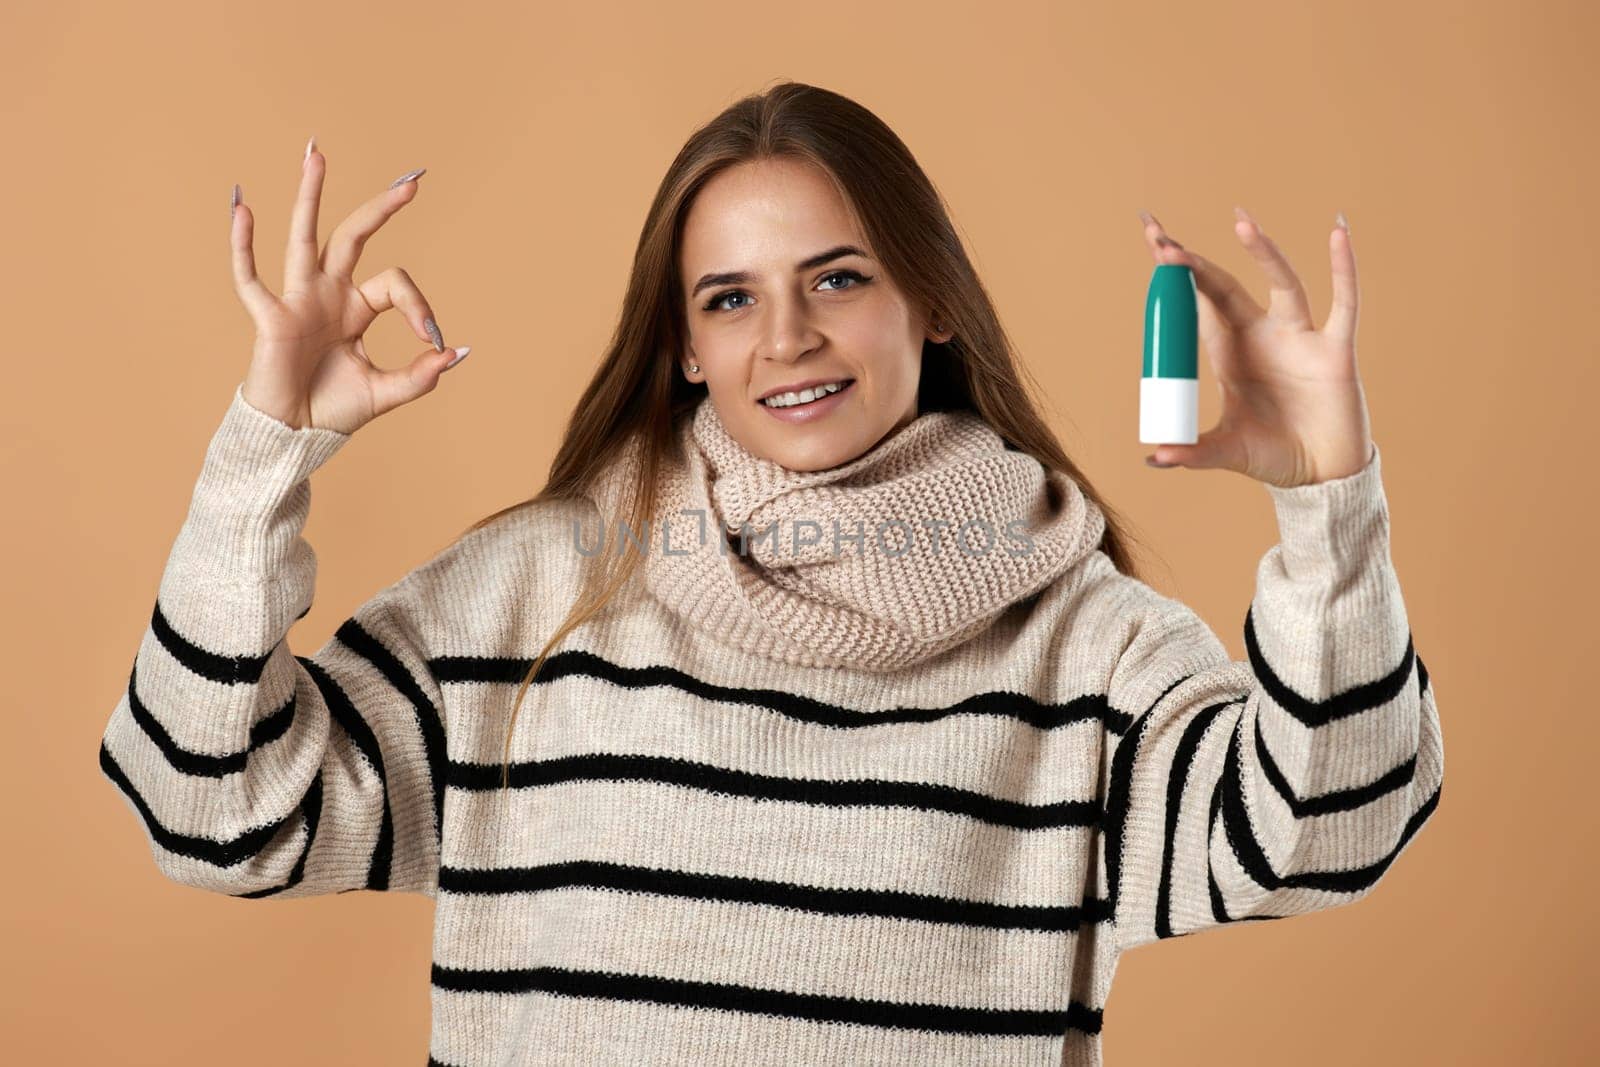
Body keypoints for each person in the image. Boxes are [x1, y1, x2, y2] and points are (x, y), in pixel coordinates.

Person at [97, 81, 1444, 1067]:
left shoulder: (1081, 642)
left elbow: (1325, 837)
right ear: (682, 344)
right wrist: (263, 448)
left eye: (839, 279)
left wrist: (1327, 500)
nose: (787, 337)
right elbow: (213, 814)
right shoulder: (534, 593)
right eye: (729, 297)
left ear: (933, 302)